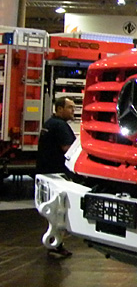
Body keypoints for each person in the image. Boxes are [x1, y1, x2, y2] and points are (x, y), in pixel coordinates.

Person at [37, 96, 76, 258]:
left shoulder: (49, 124)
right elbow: (68, 150)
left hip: (46, 172)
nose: (73, 111)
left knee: (53, 212)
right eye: (70, 108)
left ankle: (56, 243)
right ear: (59, 109)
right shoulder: (60, 126)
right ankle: (56, 244)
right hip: (57, 175)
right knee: (59, 212)